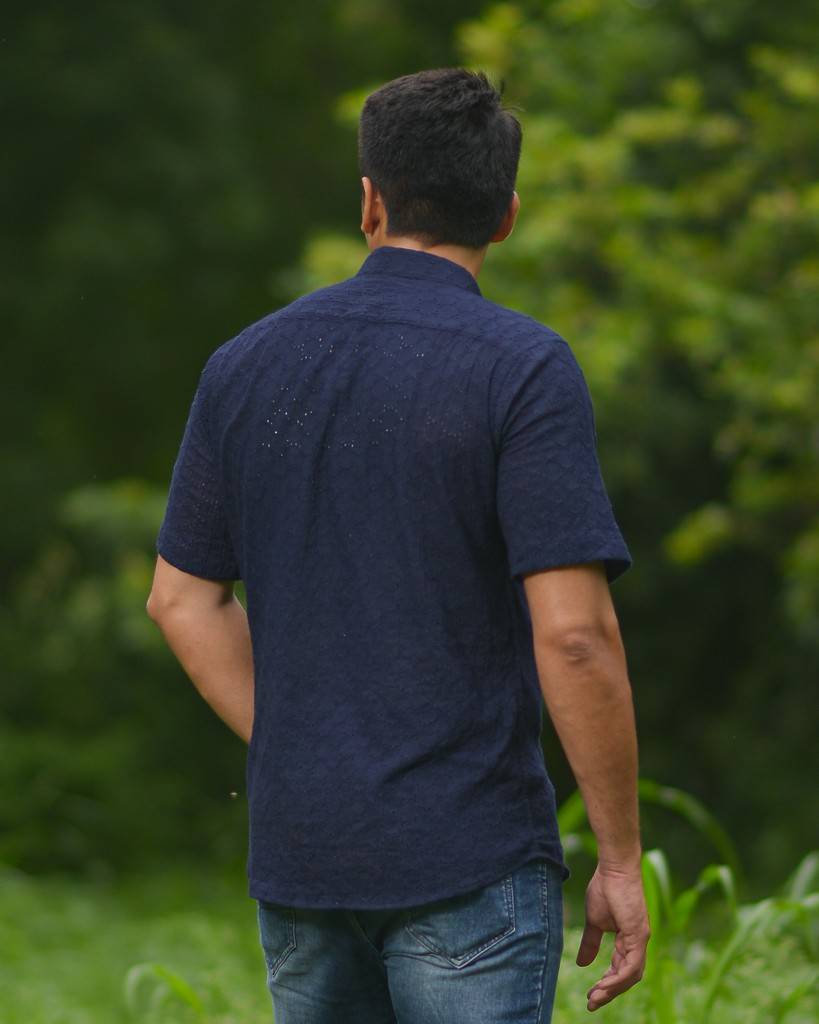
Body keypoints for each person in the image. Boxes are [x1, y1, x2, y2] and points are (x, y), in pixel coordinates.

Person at [147, 66, 650, 1023]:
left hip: (304, 857)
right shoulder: (523, 367)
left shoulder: (244, 364)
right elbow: (575, 635)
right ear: (504, 214)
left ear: (370, 202)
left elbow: (181, 599)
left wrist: (307, 741)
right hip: (470, 852)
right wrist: (619, 859)